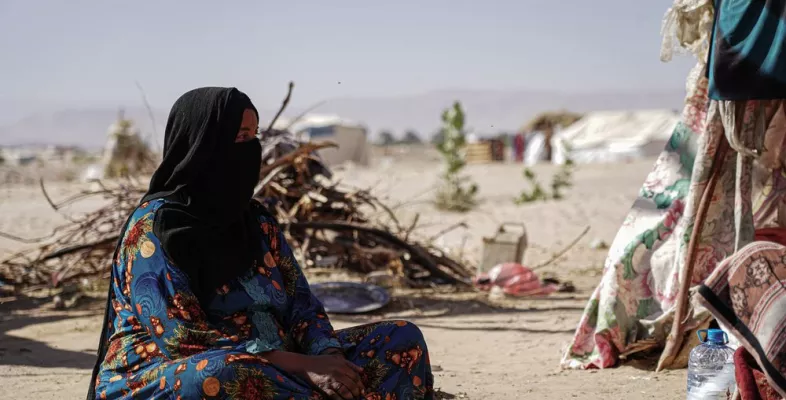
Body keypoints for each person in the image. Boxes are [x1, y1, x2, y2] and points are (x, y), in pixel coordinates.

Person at [86, 87, 434, 400]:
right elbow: (183, 339)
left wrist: (329, 359)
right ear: (202, 144)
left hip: (283, 363)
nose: (249, 149)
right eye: (238, 136)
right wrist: (302, 366)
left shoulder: (256, 221)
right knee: (228, 376)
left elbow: (302, 306)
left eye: (253, 136)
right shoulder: (155, 230)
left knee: (401, 339)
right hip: (168, 373)